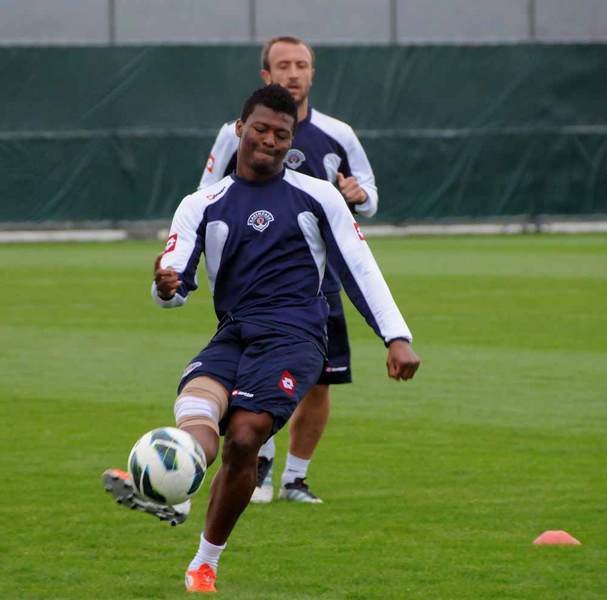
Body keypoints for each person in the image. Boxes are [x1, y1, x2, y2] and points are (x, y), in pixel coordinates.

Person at [104, 84, 420, 593]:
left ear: (291, 139)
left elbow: (360, 267)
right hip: (233, 333)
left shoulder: (318, 195)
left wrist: (396, 336)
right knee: (199, 420)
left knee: (246, 434)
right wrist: (164, 285)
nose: (270, 141)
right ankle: (173, 486)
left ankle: (204, 562)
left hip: (296, 336)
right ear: (239, 129)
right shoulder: (202, 203)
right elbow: (174, 284)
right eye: (261, 130)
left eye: (282, 134)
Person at [200, 36, 379, 504]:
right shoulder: (234, 133)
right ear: (266, 75)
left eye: (302, 64)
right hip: (254, 283)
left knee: (322, 380)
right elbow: (205, 195)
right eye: (283, 65)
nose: (293, 73)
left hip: (321, 280)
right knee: (255, 373)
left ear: (313, 73)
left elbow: (369, 191)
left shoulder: (338, 133)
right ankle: (258, 468)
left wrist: (360, 195)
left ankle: (295, 478)